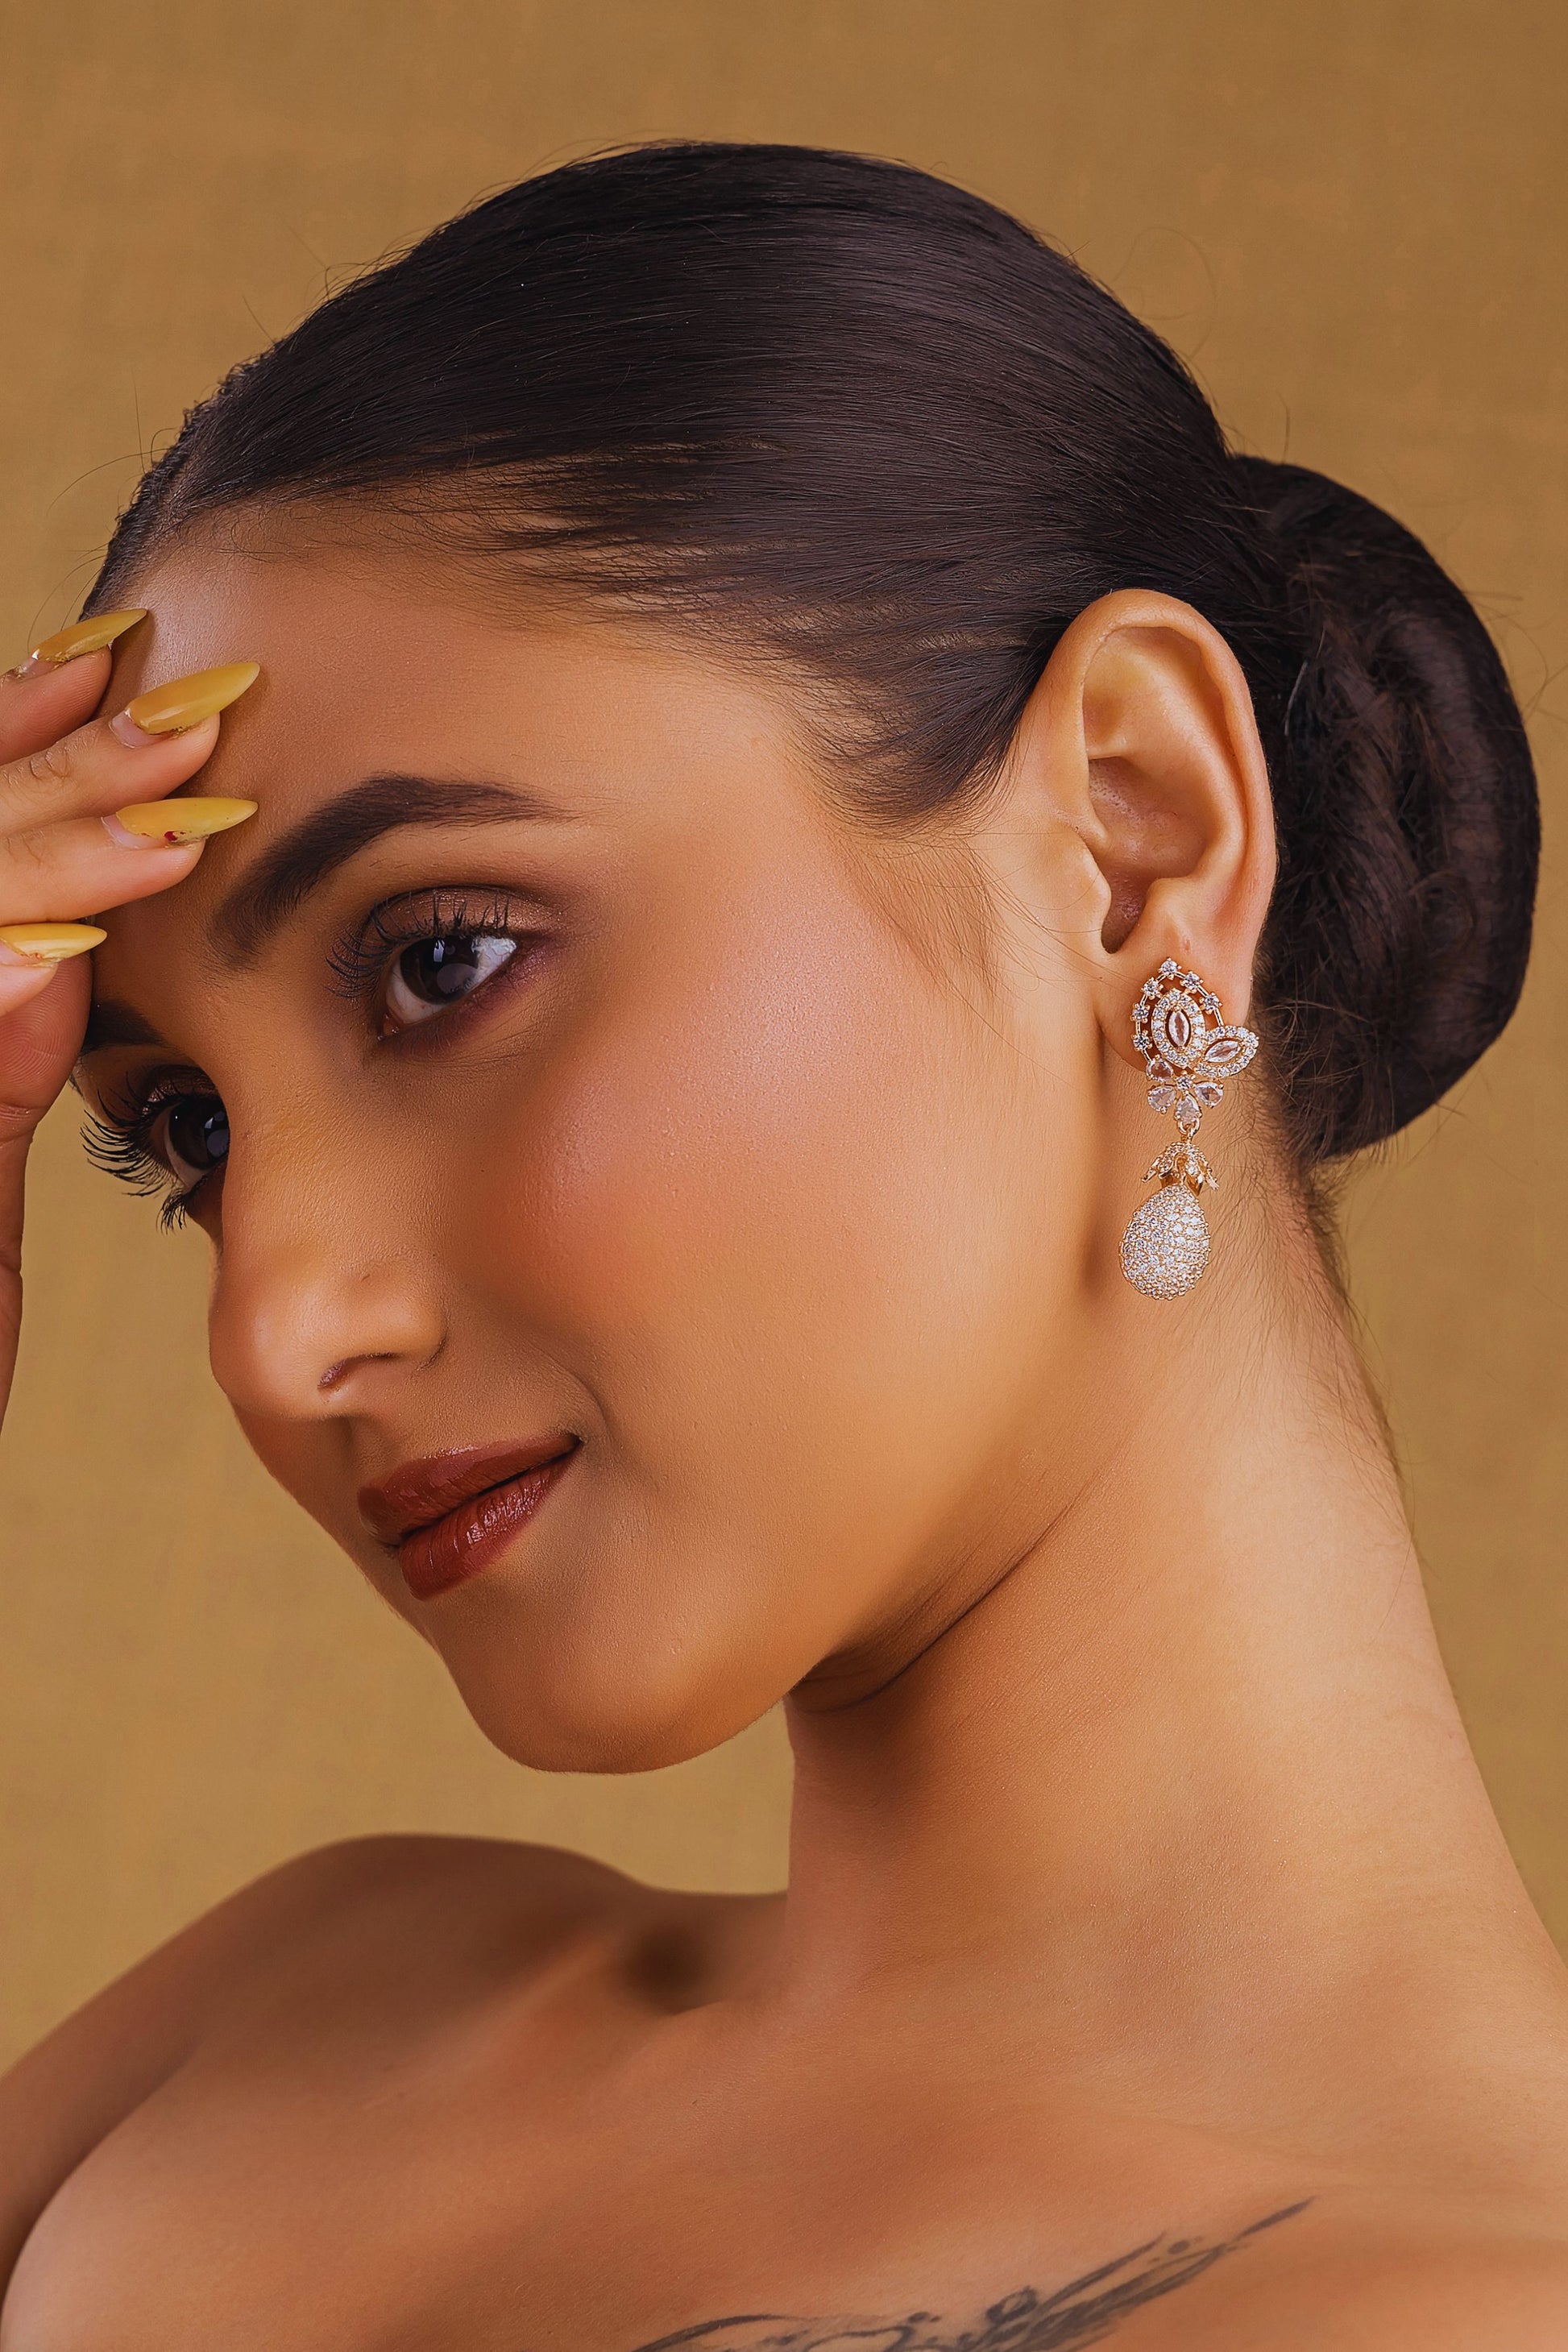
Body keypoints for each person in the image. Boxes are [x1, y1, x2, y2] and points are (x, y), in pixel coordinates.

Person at [0, 141, 1563, 2350]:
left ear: (1131, 838)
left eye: (443, 961)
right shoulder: (286, 2017)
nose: (277, 1330)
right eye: (185, 1135)